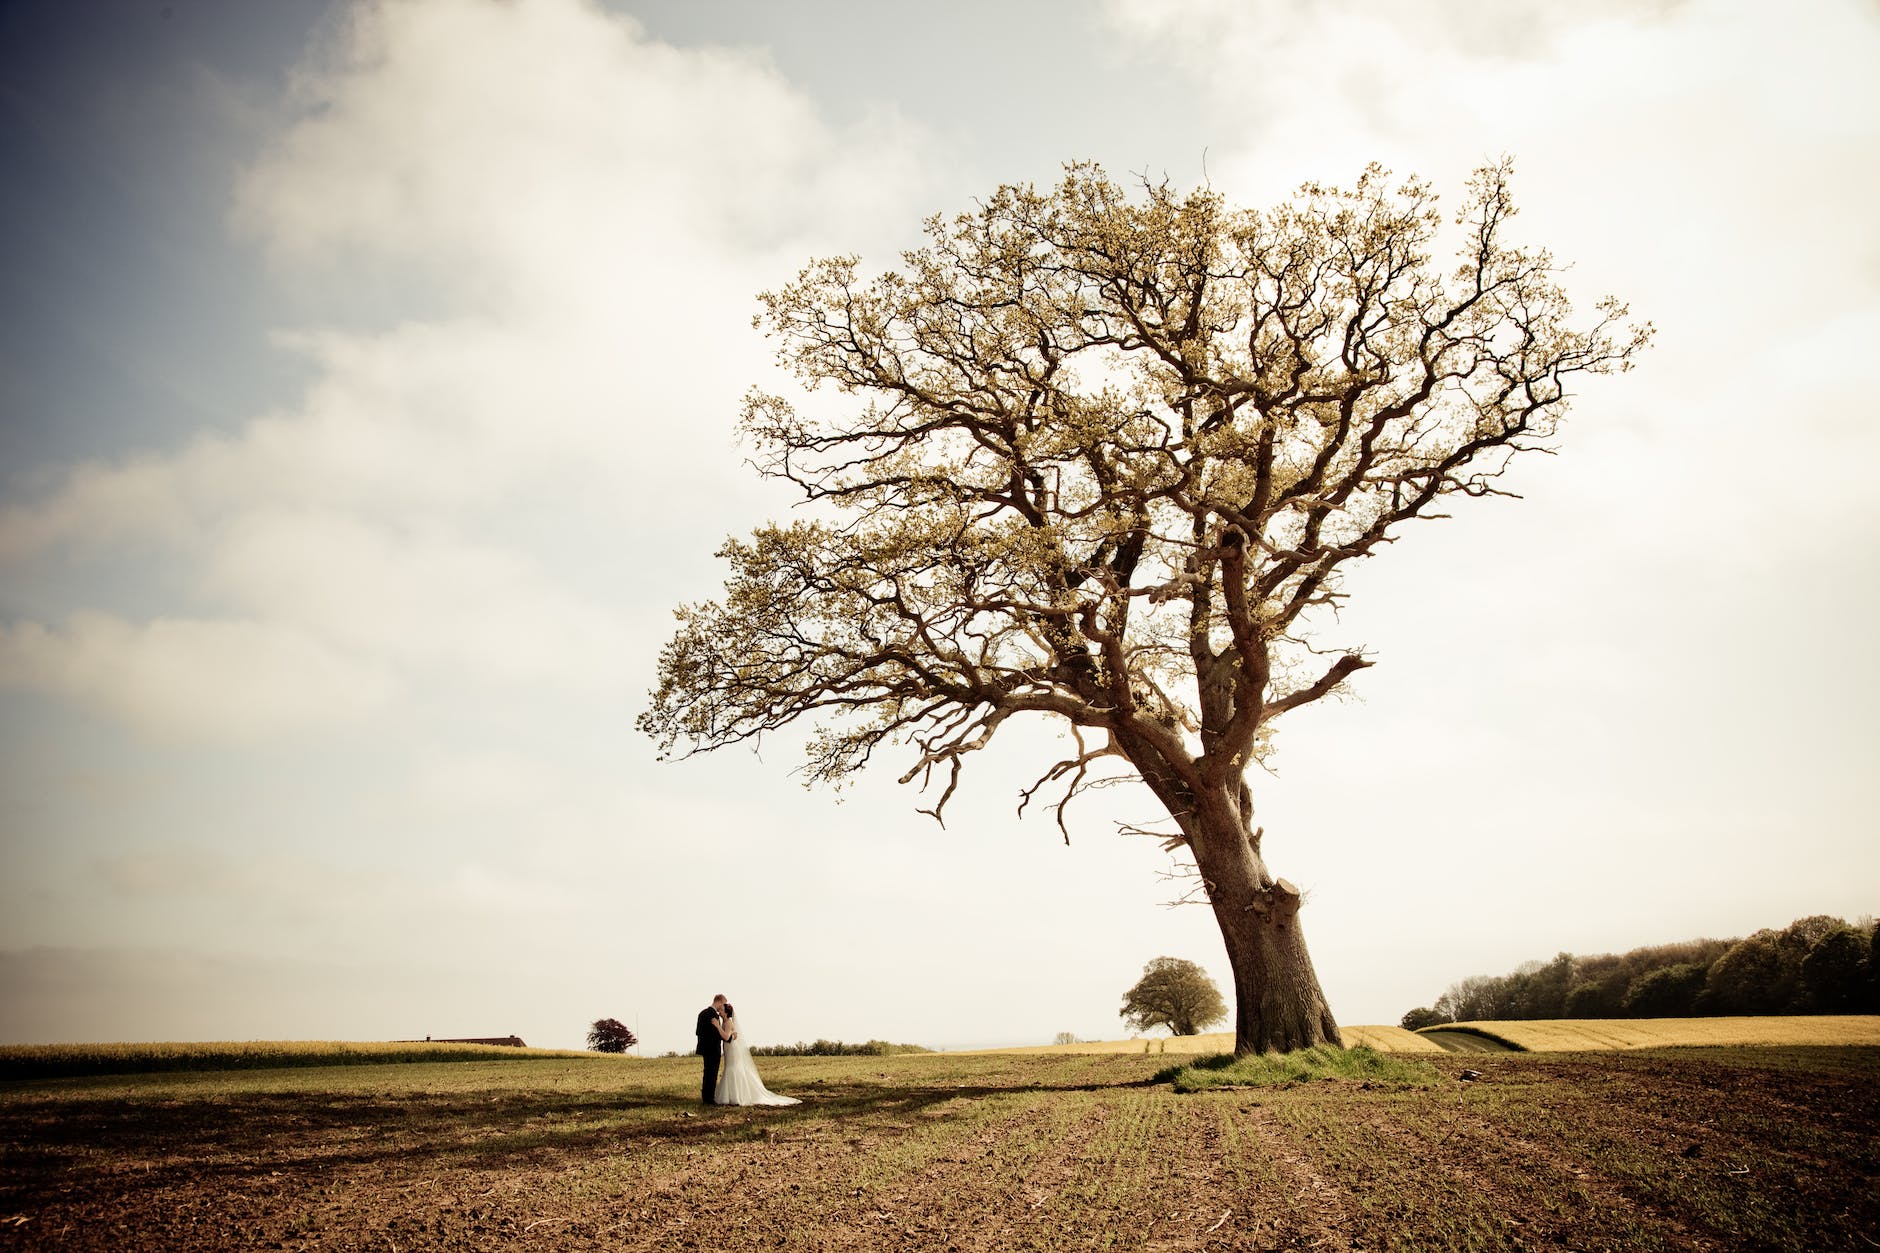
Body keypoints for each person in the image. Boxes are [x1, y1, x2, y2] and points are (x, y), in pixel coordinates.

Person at [712, 1002, 800, 1106]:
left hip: (732, 1051)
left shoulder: (728, 1023)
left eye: (721, 1010)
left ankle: (737, 1096)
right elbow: (731, 1036)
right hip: (729, 1049)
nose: (719, 1011)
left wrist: (717, 1026)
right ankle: (732, 1095)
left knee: (732, 1069)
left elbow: (726, 1037)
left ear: (726, 1013)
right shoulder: (725, 1022)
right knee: (730, 1068)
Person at [695, 994, 729, 1105]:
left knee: (707, 1073)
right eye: (723, 1004)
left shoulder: (702, 1013)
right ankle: (709, 1099)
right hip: (713, 1049)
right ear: (719, 1002)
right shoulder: (713, 1015)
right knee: (712, 1074)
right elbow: (716, 1034)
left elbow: (698, 1032)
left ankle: (706, 1097)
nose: (723, 1007)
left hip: (705, 1048)